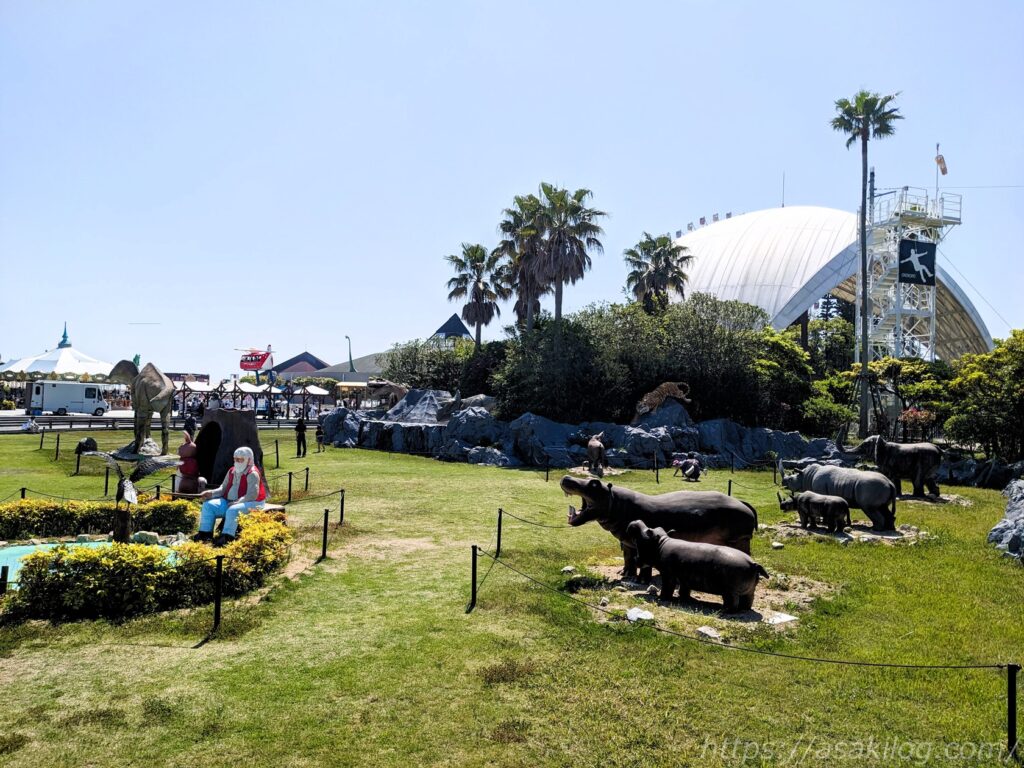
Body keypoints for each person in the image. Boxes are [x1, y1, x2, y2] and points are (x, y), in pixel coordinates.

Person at [194, 447, 266, 546]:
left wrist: (238, 502)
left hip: (253, 503)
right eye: (235, 459)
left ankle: (227, 538)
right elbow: (223, 488)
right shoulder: (231, 471)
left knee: (233, 510)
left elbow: (252, 495)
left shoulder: (252, 474)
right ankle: (205, 534)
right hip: (230, 501)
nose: (237, 462)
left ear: (249, 460)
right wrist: (211, 493)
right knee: (208, 505)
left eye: (240, 459)